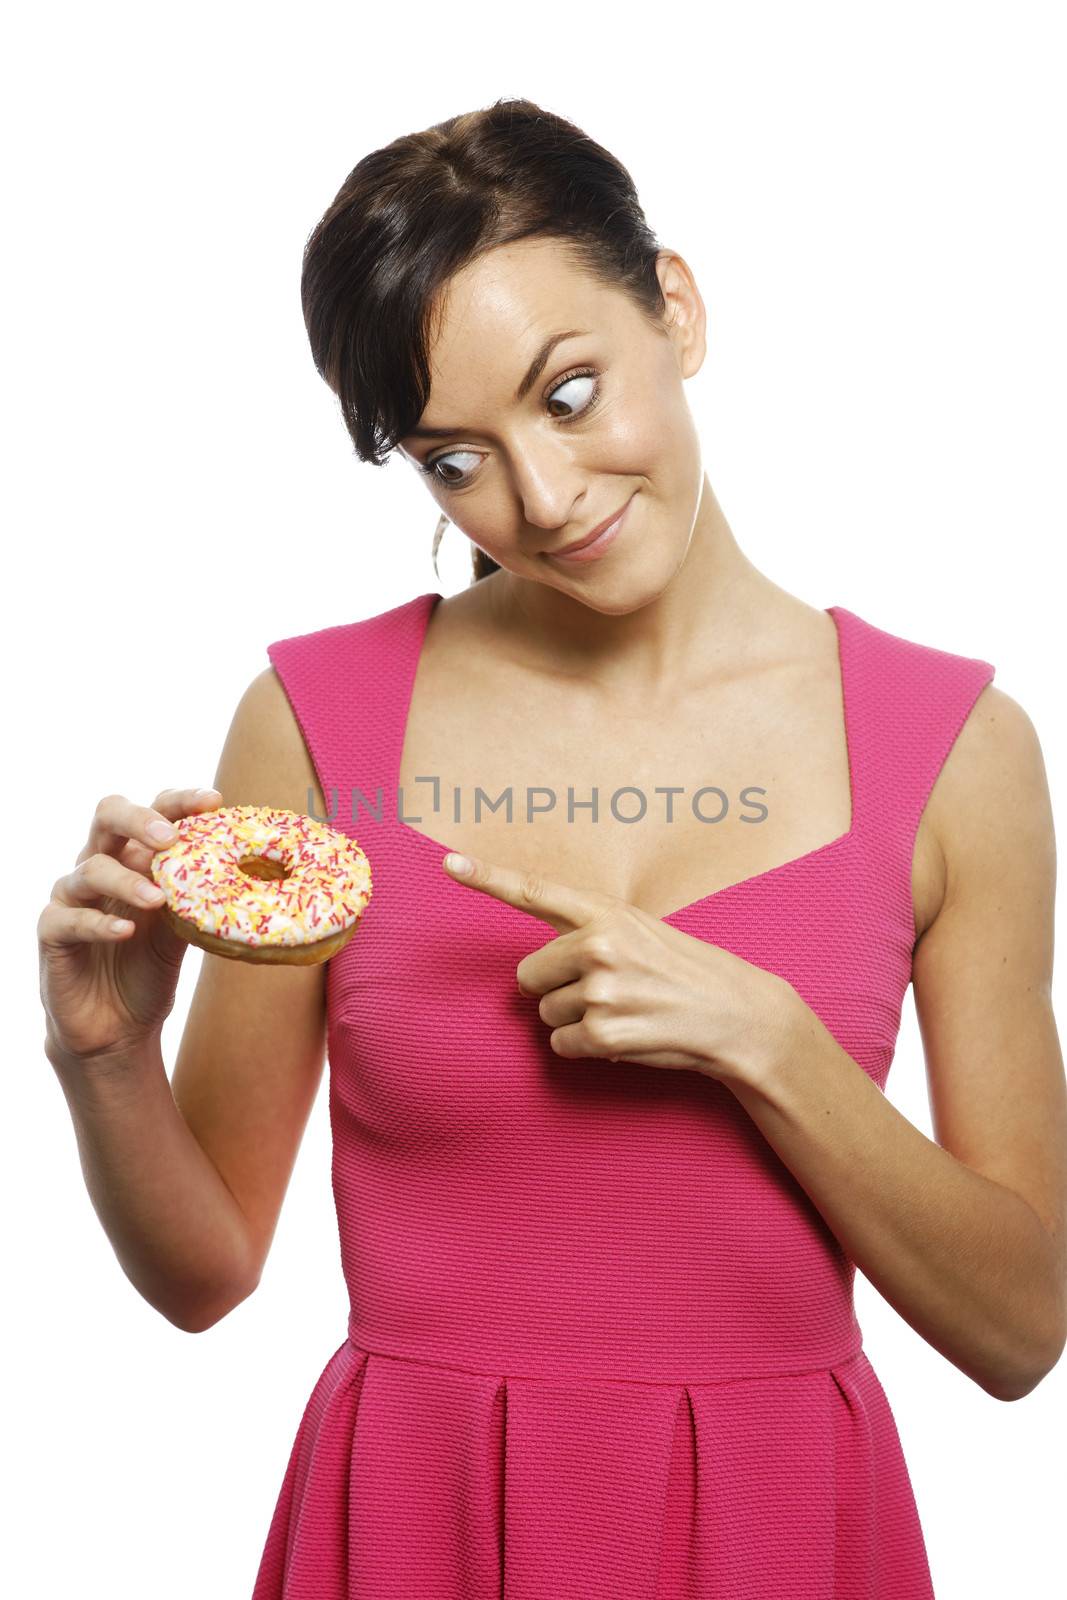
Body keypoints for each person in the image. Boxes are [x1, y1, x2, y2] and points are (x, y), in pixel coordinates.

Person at [38, 96, 1065, 1598]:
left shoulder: (955, 749)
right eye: (455, 461)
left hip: (779, 1526)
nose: (544, 498)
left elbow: (1021, 1325)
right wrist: (108, 1059)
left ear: (678, 308)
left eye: (570, 393)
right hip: (413, 1511)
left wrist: (764, 1042)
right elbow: (205, 1277)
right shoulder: (316, 721)